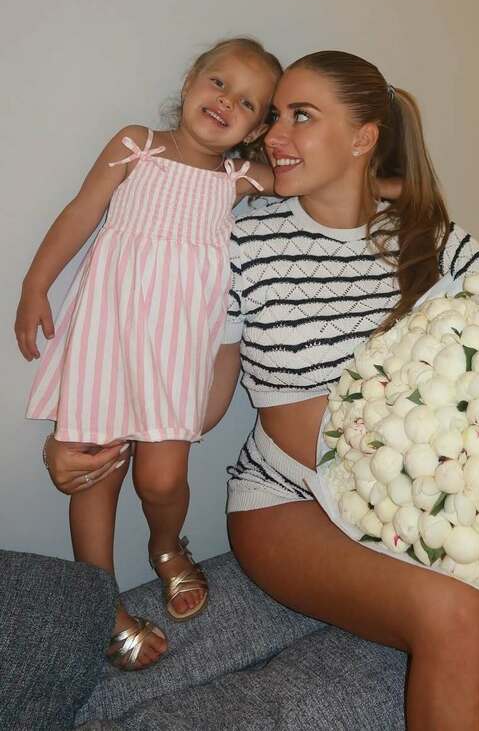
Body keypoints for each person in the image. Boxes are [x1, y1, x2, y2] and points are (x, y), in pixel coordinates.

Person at [44, 50, 479, 729]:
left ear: (363, 138)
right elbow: (181, 378)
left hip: (432, 505)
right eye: (274, 117)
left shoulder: (436, 241)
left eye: (301, 116)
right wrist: (99, 442)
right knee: (453, 609)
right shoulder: (239, 239)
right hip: (289, 506)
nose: (273, 135)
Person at [16, 37, 282, 670]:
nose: (226, 102)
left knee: (161, 479)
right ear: (190, 82)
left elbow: (312, 177)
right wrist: (35, 285)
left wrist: (386, 177)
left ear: (255, 129)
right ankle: (100, 603)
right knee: (96, 470)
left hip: (174, 353)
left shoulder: (239, 181)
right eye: (219, 83)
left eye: (248, 103)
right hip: (106, 339)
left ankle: (166, 546)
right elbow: (81, 212)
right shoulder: (136, 145)